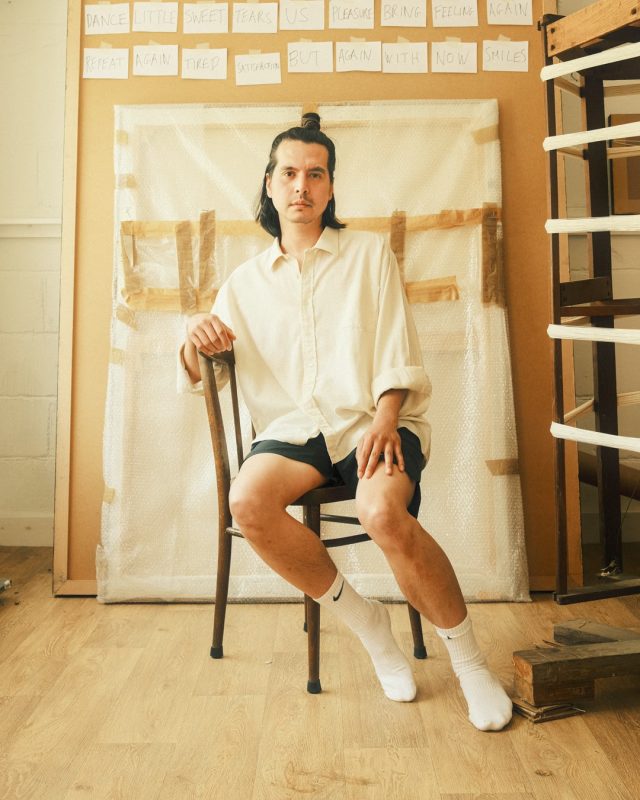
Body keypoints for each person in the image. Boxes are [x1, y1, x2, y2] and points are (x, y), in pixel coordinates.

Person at [181, 113, 512, 731]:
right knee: (246, 501)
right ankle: (369, 625)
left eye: (316, 174)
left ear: (330, 187)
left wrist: (386, 418)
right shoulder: (243, 284)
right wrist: (193, 335)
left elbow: (396, 348)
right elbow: (206, 370)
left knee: (380, 511)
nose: (301, 185)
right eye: (289, 173)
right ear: (270, 185)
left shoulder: (368, 254)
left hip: (372, 419)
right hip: (293, 432)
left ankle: (470, 664)